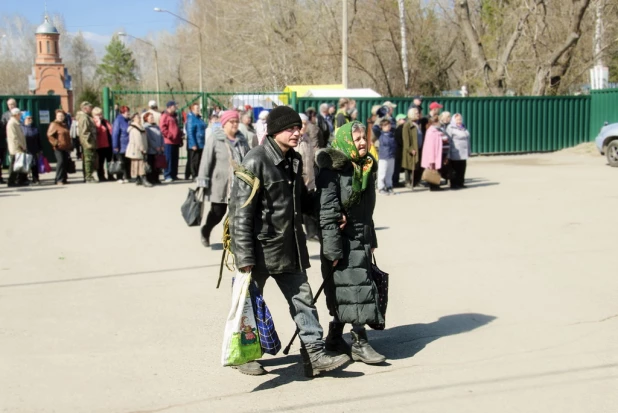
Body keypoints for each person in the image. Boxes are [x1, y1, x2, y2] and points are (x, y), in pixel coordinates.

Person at [228, 105, 350, 377]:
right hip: (259, 251)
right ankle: (243, 355)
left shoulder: (293, 160)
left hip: (290, 248)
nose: (297, 132)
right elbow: (239, 212)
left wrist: (332, 212)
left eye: (298, 127)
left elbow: (304, 201)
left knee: (303, 299)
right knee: (246, 307)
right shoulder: (255, 160)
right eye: (290, 128)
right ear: (274, 131)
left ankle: (315, 354)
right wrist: (244, 257)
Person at [315, 121, 385, 364]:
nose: (363, 142)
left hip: (361, 237)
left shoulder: (365, 167)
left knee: (350, 292)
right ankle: (359, 342)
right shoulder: (332, 170)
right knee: (356, 290)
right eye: (356, 139)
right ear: (346, 141)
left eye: (363, 138)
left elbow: (368, 212)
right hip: (341, 242)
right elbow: (326, 211)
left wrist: (372, 237)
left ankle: (335, 335)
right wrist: (332, 249)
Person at [197, 110, 250, 247]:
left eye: (237, 121)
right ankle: (206, 230)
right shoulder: (215, 139)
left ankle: (230, 240)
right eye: (232, 122)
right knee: (217, 213)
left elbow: (249, 158)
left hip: (238, 185)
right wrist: (203, 181)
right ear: (224, 123)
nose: (235, 124)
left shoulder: (242, 139)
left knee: (236, 215)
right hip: (220, 184)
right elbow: (206, 160)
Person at [297, 113, 318, 241]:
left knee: (310, 207)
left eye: (305, 124)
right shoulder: (294, 141)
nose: (303, 126)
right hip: (298, 181)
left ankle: (311, 233)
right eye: (301, 124)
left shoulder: (307, 139)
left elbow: (310, 161)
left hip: (309, 180)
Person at [47, 109, 72, 185]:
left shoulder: (64, 125)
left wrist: (70, 145)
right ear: (56, 116)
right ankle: (58, 179)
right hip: (58, 148)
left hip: (65, 147)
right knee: (60, 162)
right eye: (59, 116)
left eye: (62, 116)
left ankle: (63, 179)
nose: (61, 117)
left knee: (64, 162)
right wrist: (56, 143)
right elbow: (49, 135)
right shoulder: (54, 124)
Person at [126, 112, 151, 188]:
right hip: (137, 149)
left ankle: (138, 179)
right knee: (140, 164)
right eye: (137, 117)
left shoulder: (140, 127)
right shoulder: (135, 128)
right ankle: (143, 179)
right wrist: (142, 149)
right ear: (133, 118)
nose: (139, 119)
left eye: (140, 117)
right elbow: (138, 140)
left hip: (138, 149)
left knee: (137, 164)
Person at [160, 101, 183, 183]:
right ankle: (167, 175)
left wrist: (179, 137)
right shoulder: (165, 116)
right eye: (174, 106)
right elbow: (163, 128)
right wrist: (170, 135)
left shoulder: (174, 116)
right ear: (169, 107)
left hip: (176, 141)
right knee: (168, 159)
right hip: (168, 141)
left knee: (174, 159)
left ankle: (174, 174)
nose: (176, 107)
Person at [446, 113, 471, 189]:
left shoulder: (463, 127)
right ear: (454, 120)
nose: (459, 121)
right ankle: (454, 184)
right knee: (455, 169)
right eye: (457, 119)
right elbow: (449, 140)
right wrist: (448, 154)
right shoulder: (450, 127)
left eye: (460, 119)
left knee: (462, 168)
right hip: (455, 152)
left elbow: (467, 139)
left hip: (464, 151)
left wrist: (469, 151)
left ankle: (461, 182)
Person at [6, 108, 28, 187]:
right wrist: (21, 146)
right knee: (14, 165)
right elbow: (14, 137)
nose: (20, 116)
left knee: (19, 165)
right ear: (16, 115)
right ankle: (11, 181)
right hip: (16, 148)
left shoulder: (16, 123)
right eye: (20, 114)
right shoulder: (12, 123)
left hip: (19, 147)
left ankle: (20, 180)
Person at [421, 116, 444, 192]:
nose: (440, 123)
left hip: (436, 154)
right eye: (438, 121)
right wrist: (431, 159)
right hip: (432, 155)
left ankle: (436, 185)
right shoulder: (431, 132)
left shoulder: (436, 131)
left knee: (436, 170)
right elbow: (430, 146)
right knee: (432, 170)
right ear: (434, 122)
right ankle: (433, 186)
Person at [76, 102, 98, 183]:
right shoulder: (84, 118)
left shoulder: (86, 117)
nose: (91, 109)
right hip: (88, 143)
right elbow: (85, 132)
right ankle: (88, 177)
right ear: (85, 108)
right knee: (88, 160)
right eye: (90, 107)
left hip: (88, 142)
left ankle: (88, 176)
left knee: (89, 160)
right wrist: (88, 142)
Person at [20, 112, 42, 185]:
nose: (30, 119)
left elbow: (39, 139)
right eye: (28, 118)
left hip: (34, 149)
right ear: (24, 119)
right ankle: (23, 179)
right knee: (25, 165)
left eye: (31, 118)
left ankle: (36, 179)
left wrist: (40, 149)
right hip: (25, 149)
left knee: (34, 164)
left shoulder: (35, 128)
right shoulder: (21, 128)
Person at [401, 108, 421, 188]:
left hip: (418, 147)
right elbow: (406, 139)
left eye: (418, 113)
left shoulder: (417, 124)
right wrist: (410, 149)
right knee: (408, 165)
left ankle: (415, 181)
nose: (418, 114)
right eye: (416, 113)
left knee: (415, 165)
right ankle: (407, 181)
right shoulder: (407, 125)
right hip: (410, 149)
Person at [186, 103, 206, 180]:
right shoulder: (191, 118)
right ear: (192, 109)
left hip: (201, 141)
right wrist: (193, 143)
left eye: (198, 108)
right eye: (197, 108)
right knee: (194, 160)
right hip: (196, 142)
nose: (198, 109)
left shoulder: (198, 118)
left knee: (199, 159)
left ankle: (197, 174)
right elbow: (190, 132)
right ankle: (194, 175)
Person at [143, 112, 164, 185]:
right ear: (146, 119)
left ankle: (156, 178)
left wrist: (162, 145)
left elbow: (161, 136)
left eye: (152, 117)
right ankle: (150, 179)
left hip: (159, 150)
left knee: (157, 165)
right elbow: (149, 139)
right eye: (150, 117)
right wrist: (155, 147)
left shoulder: (157, 127)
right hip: (151, 150)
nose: (152, 118)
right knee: (151, 165)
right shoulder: (146, 127)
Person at [377, 118, 396, 195]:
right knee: (382, 173)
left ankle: (389, 186)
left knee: (390, 173)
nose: (388, 126)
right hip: (384, 157)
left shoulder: (391, 134)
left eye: (388, 125)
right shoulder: (381, 135)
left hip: (391, 156)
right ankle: (381, 188)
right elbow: (375, 127)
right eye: (385, 125)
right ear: (382, 127)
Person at [93, 107, 113, 182]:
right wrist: (98, 123)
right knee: (100, 162)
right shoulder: (94, 122)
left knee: (109, 161)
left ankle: (110, 175)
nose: (100, 116)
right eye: (98, 114)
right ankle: (101, 176)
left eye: (101, 114)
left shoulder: (106, 121)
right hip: (100, 145)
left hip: (108, 144)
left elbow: (111, 130)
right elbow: (96, 132)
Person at [0, 98, 18, 184]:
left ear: (16, 104)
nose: (11, 106)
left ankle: (20, 177)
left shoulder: (20, 113)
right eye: (9, 104)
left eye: (12, 104)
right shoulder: (5, 115)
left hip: (19, 139)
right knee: (9, 159)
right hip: (8, 140)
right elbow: (3, 128)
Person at [112, 106, 131, 183]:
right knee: (120, 161)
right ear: (122, 112)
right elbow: (115, 134)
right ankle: (119, 177)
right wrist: (115, 146)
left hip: (128, 144)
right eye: (127, 112)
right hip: (121, 144)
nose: (128, 113)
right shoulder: (118, 120)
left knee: (127, 161)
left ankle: (126, 176)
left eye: (128, 111)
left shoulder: (128, 120)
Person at [438, 111, 452, 184]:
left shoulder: (451, 125)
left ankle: (448, 179)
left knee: (448, 164)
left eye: (449, 117)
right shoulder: (440, 125)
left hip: (448, 147)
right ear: (442, 117)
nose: (447, 118)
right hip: (441, 147)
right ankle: (439, 179)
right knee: (440, 164)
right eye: (446, 117)